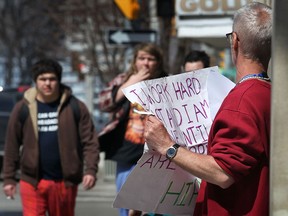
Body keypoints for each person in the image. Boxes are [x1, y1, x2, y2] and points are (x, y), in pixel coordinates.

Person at [144, 2, 271, 216]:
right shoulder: (270, 94)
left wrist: (167, 146)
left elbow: (223, 172)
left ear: (235, 41)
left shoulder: (242, 102)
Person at [2, 58, 100, 216]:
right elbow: (12, 145)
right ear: (36, 81)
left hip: (64, 181)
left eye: (52, 79)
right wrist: (9, 178)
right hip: (31, 181)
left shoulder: (75, 106)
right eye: (42, 79)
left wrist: (90, 170)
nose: (47, 83)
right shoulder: (23, 108)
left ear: (59, 80)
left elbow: (90, 141)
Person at [99, 43, 168, 216]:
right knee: (126, 201)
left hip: (155, 152)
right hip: (126, 150)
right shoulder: (124, 79)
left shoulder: (166, 81)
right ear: (135, 61)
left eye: (150, 59)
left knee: (150, 205)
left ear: (158, 62)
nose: (146, 63)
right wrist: (131, 83)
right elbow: (105, 104)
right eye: (142, 58)